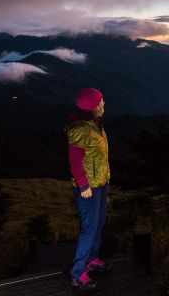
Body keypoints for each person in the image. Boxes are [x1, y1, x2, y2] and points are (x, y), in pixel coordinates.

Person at [64, 87, 112, 290]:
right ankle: (78, 274)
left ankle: (92, 260)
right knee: (89, 229)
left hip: (100, 183)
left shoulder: (95, 125)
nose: (103, 105)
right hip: (88, 188)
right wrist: (83, 185)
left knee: (98, 224)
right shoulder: (80, 131)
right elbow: (75, 161)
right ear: (91, 108)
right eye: (100, 102)